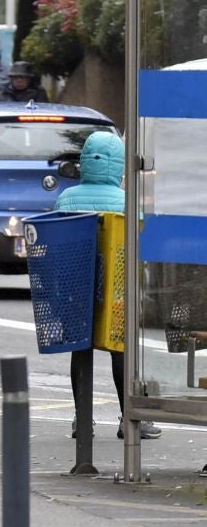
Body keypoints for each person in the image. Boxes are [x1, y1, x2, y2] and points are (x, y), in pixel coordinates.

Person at [55, 131, 161, 440]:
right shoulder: (126, 203)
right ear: (119, 167)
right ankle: (129, 418)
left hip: (77, 290)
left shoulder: (66, 198)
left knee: (81, 349)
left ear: (85, 162)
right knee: (121, 351)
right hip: (117, 292)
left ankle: (82, 419)